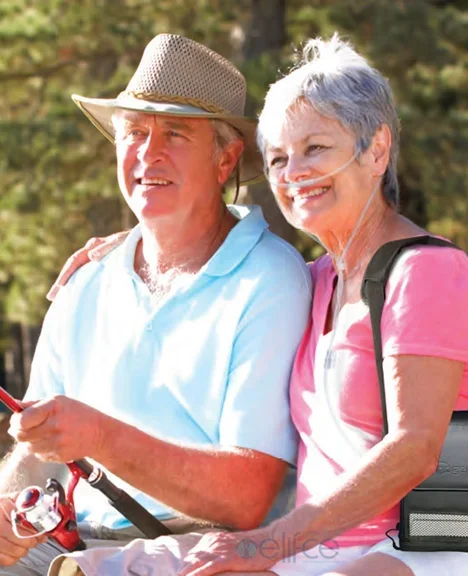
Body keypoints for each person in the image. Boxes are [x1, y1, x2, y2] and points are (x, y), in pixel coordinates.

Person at [45, 35, 468, 576]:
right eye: (279, 158)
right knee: (111, 568)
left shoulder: (428, 273)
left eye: (316, 148)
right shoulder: (316, 279)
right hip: (324, 550)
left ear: (376, 150)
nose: (293, 172)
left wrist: (265, 546)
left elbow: (414, 449)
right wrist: (138, 238)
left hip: (441, 546)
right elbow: (202, 243)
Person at [0, 34, 312, 576]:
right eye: (134, 132)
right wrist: (8, 512)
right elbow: (34, 450)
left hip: (200, 551)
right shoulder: (86, 281)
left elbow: (244, 499)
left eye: (175, 133)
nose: (148, 153)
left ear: (226, 159)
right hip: (66, 542)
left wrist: (100, 436)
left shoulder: (271, 279)